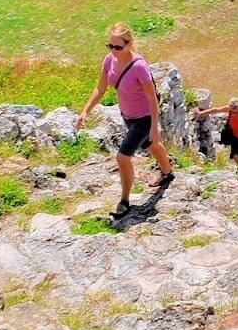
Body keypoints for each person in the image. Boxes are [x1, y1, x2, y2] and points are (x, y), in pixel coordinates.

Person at [75, 22, 175, 219]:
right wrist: (85, 111)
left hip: (144, 118)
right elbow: (100, 89)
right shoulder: (109, 61)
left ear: (129, 44)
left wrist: (154, 127)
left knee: (122, 156)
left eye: (118, 47)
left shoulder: (139, 67)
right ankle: (168, 173)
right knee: (152, 146)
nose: (113, 51)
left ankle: (124, 201)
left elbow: (152, 99)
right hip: (127, 115)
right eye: (109, 46)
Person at [197, 97, 238, 178]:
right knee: (235, 155)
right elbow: (216, 110)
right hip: (236, 137)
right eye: (234, 112)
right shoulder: (229, 109)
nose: (236, 113)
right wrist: (202, 113)